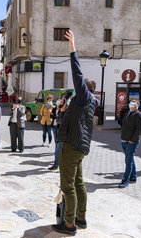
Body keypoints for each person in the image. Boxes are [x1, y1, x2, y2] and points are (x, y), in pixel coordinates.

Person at [52, 30, 99, 235]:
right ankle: (81, 218)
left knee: (68, 186)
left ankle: (69, 224)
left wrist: (72, 47)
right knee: (79, 184)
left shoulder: (84, 97)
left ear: (84, 89)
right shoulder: (89, 103)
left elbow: (77, 72)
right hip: (81, 147)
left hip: (72, 146)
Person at [119, 99, 141, 188]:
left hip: (131, 142)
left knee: (128, 161)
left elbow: (139, 129)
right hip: (124, 140)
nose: (131, 103)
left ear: (137, 105)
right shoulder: (128, 113)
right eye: (131, 102)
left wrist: (132, 140)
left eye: (133, 102)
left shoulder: (138, 115)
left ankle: (126, 180)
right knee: (130, 159)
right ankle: (133, 177)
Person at [48, 94, 71, 171]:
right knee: (58, 149)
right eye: (60, 101)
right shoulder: (61, 110)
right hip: (59, 130)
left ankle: (57, 165)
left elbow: (60, 120)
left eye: (62, 102)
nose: (60, 103)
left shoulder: (67, 110)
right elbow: (57, 120)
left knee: (59, 149)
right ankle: (57, 164)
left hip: (64, 133)